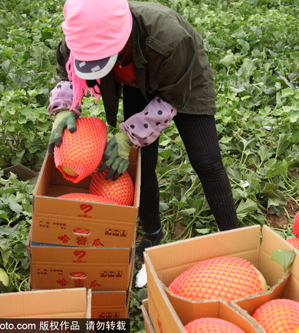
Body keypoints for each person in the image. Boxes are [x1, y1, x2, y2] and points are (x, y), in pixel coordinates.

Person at [46, 0, 240, 264]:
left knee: (206, 161)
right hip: (134, 78)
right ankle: (152, 233)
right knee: (143, 163)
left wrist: (129, 135)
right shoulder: (80, 35)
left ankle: (236, 239)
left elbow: (171, 99)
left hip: (183, 79)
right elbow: (67, 72)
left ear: (122, 37)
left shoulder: (169, 38)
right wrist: (65, 106)